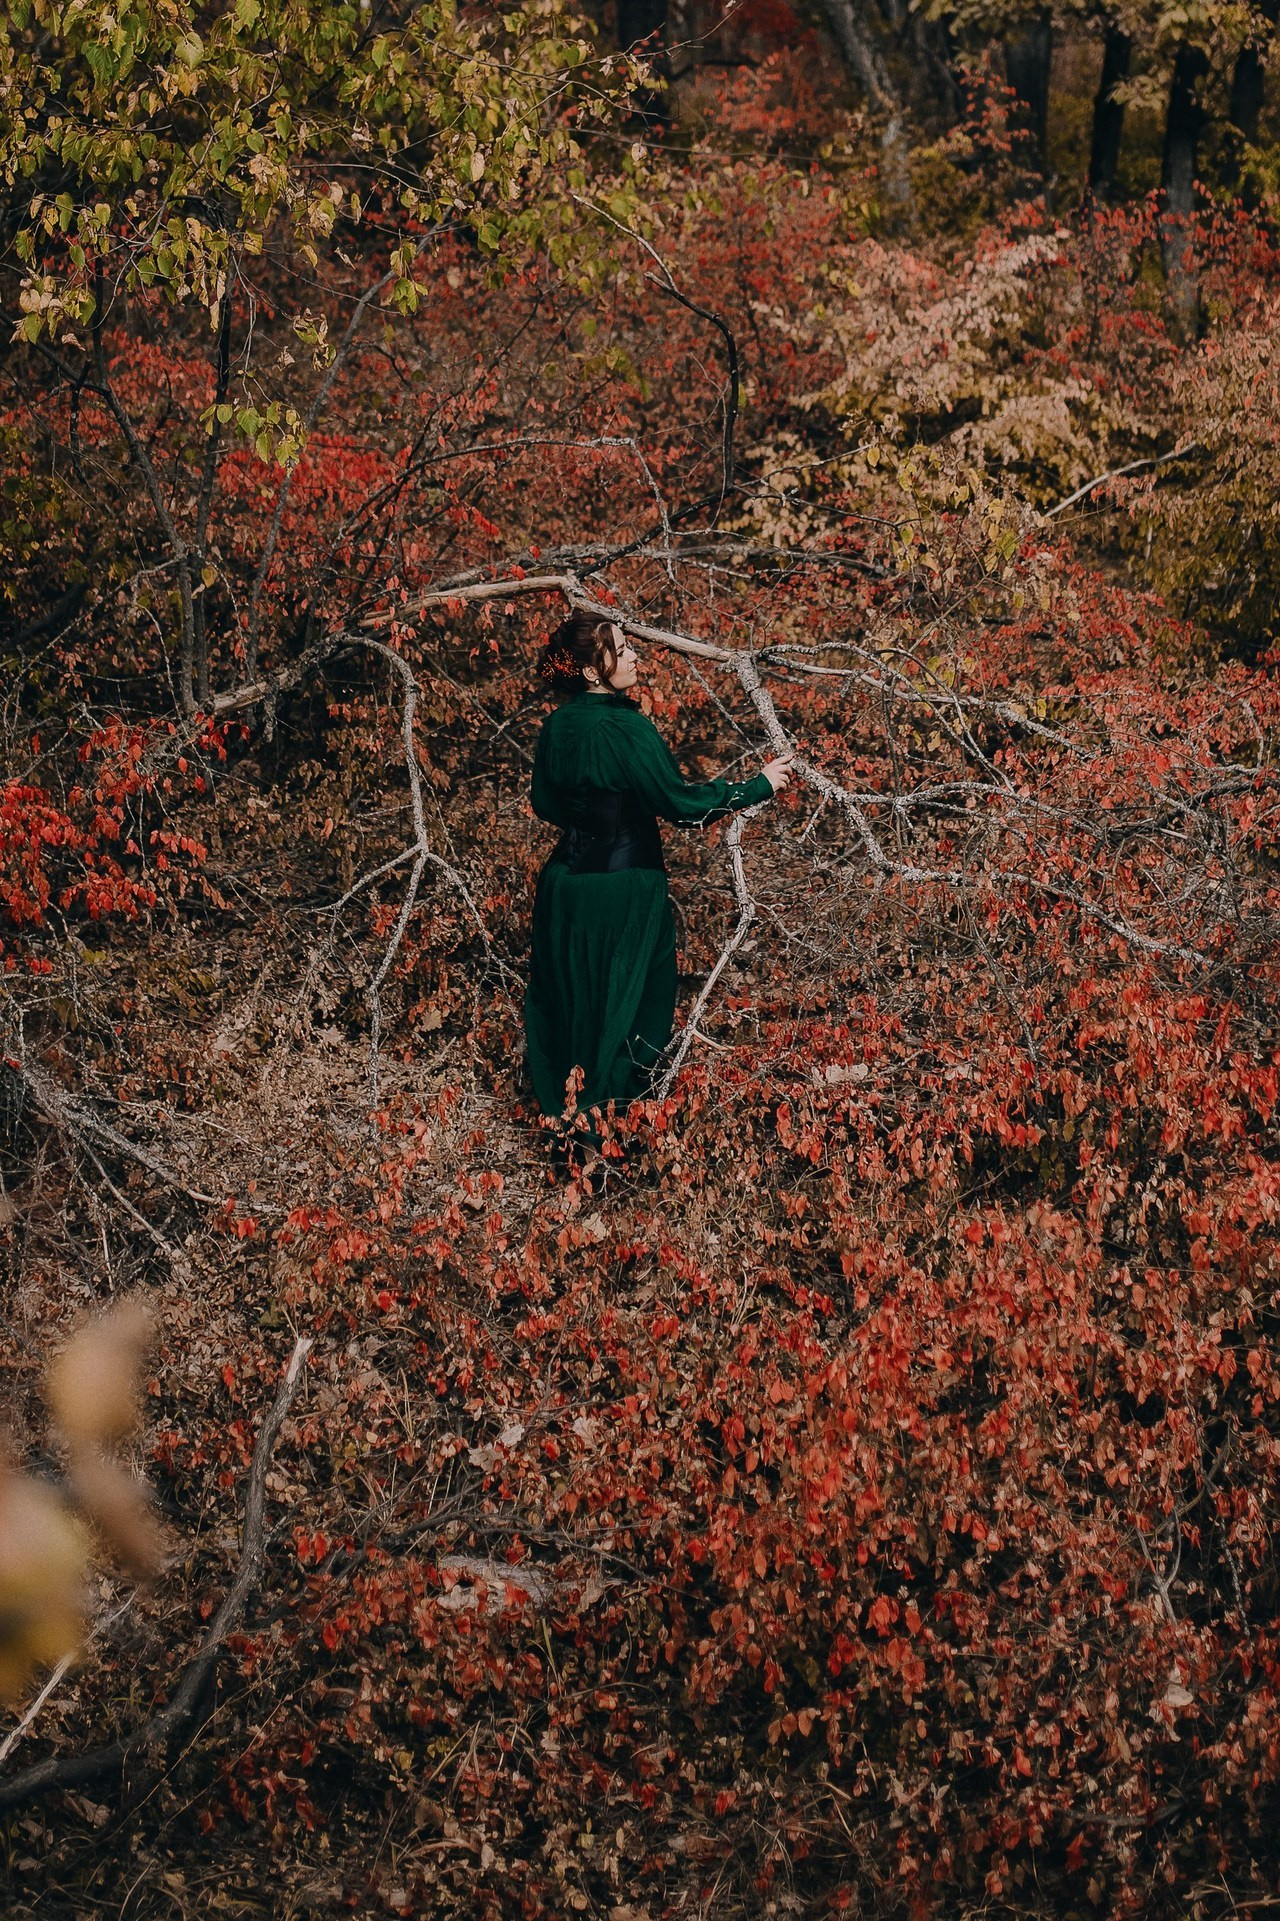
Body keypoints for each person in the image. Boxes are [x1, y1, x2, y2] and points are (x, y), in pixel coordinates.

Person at [524, 610, 794, 1133]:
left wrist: (591, 818)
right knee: (632, 1010)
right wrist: (757, 786)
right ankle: (604, 1136)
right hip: (623, 891)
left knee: (573, 1005)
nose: (634, 656)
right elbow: (681, 804)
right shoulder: (625, 727)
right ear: (592, 670)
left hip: (562, 890)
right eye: (621, 650)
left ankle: (569, 1127)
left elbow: (545, 803)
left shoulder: (557, 725)